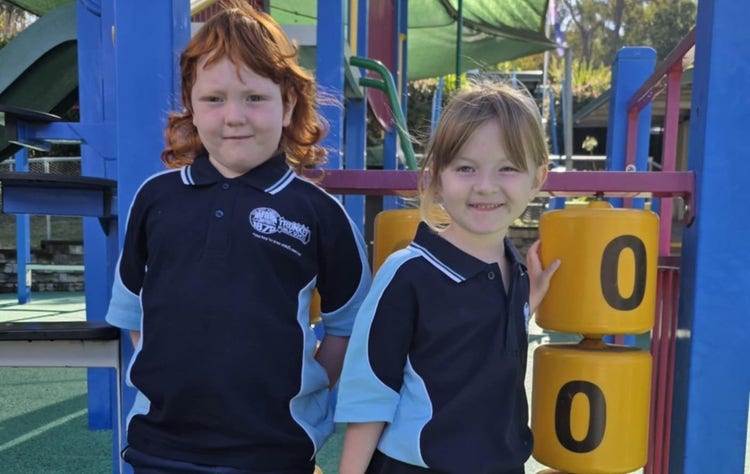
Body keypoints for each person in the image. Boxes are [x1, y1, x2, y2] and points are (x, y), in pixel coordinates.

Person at [104, 2, 371, 472]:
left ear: (288, 104)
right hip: (160, 448)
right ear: (191, 103)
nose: (234, 116)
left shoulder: (320, 214)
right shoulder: (155, 199)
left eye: (254, 98)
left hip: (274, 449)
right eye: (214, 99)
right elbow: (134, 313)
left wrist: (306, 386)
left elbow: (348, 326)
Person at [334, 82, 560, 474]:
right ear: (438, 177)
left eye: (507, 168)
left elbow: (478, 337)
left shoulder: (516, 276)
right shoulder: (409, 274)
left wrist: (528, 301)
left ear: (537, 178)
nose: (485, 185)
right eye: (466, 168)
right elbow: (370, 395)